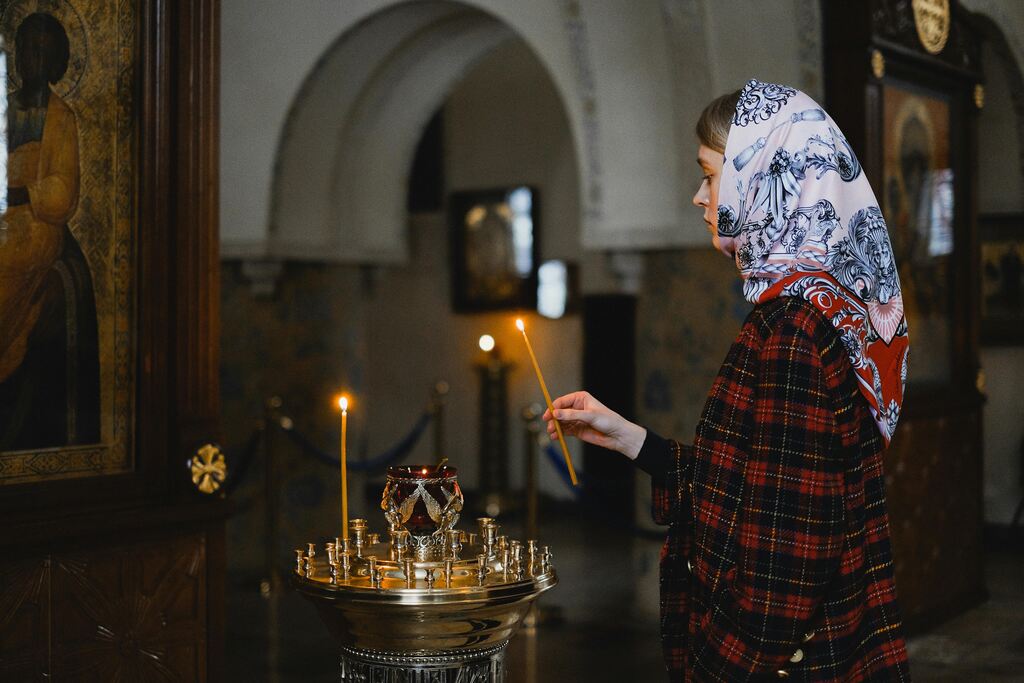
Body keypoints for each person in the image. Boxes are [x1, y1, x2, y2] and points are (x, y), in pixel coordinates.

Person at [544, 79, 911, 681]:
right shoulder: (818, 305)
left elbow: (785, 574)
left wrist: (712, 668)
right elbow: (752, 490)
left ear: (766, 180)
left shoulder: (794, 331)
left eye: (711, 175)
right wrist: (628, 438)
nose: (699, 196)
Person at [0, 12, 99, 449]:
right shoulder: (3, 106)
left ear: (56, 59)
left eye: (40, 50)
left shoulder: (61, 118)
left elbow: (64, 193)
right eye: (24, 48)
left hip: (35, 232)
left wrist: (23, 191)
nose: (30, 58)